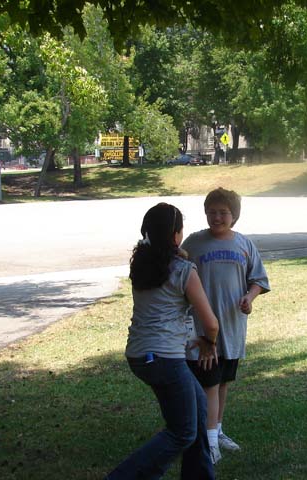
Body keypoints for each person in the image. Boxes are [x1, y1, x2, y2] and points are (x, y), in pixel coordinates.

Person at [106, 202, 220, 480]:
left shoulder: (141, 265)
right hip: (164, 359)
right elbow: (211, 324)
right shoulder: (184, 270)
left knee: (199, 408)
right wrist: (209, 342)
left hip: (140, 355)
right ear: (175, 235)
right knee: (182, 432)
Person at [182, 187, 270, 464]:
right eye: (212, 212)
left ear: (234, 215)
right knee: (208, 383)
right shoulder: (194, 243)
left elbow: (258, 280)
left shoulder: (244, 244)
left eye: (223, 212)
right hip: (202, 330)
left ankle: (217, 431)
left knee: (222, 383)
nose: (217, 217)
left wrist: (249, 297)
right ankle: (207, 442)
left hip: (232, 329)